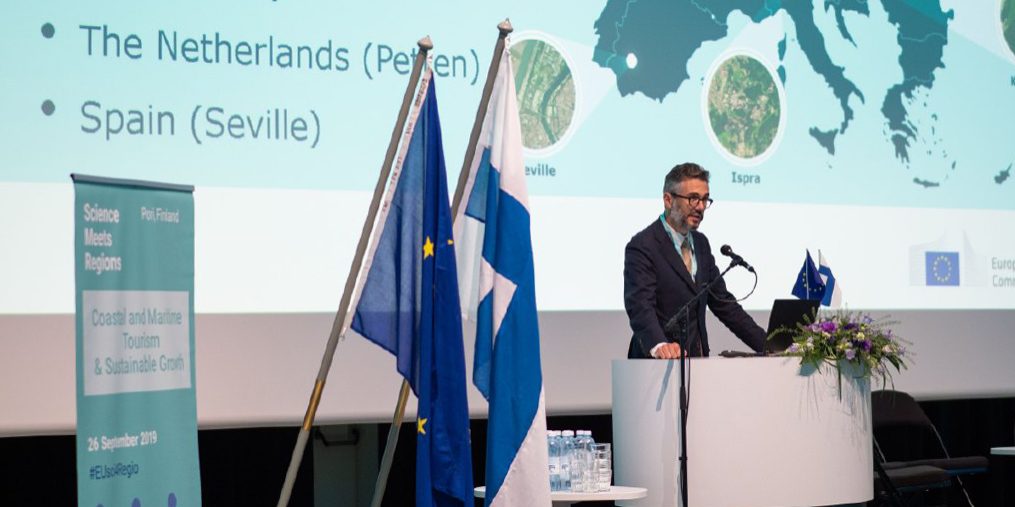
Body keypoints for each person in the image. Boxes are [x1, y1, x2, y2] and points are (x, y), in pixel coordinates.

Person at [624, 162, 765, 359]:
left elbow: (725, 305)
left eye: (705, 200)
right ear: (668, 199)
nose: (700, 207)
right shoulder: (643, 245)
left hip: (697, 363)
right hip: (655, 365)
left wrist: (769, 346)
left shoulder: (701, 244)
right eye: (693, 199)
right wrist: (658, 344)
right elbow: (640, 306)